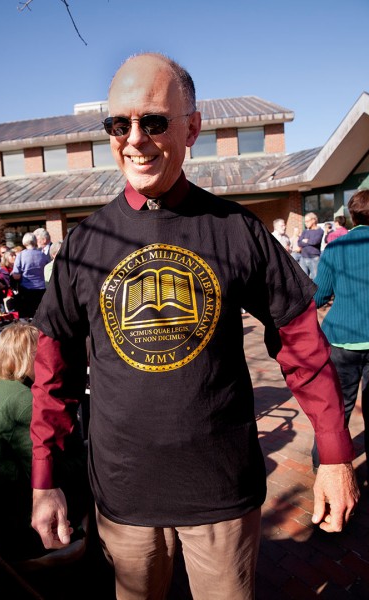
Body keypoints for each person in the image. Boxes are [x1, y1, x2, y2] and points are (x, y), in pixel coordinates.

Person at [30, 53, 359, 600]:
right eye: (119, 124)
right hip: (123, 498)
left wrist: (335, 454)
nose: (134, 139)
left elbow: (302, 343)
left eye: (154, 121)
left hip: (222, 497)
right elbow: (51, 374)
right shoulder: (84, 246)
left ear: (193, 127)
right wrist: (45, 480)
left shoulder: (237, 231)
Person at [0, 322, 89, 560]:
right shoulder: (24, 403)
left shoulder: (5, 388)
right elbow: (48, 472)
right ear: (29, 357)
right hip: (21, 519)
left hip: (2, 508)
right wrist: (88, 456)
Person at [311, 189, 369, 475]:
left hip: (342, 337)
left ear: (351, 216)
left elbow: (319, 295)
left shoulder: (335, 248)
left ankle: (323, 466)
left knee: (336, 408)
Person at [11, 232, 49, 318]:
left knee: (26, 317)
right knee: (40, 315)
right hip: (42, 289)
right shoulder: (43, 255)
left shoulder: (21, 255)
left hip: (26, 290)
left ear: (24, 242)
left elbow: (16, 275)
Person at [298, 212, 323, 279]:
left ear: (313, 220)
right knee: (303, 279)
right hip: (303, 258)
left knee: (316, 279)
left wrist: (305, 241)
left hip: (314, 258)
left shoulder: (320, 231)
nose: (305, 223)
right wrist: (307, 241)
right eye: (305, 221)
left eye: (307, 221)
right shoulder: (305, 231)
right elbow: (299, 243)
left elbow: (315, 241)